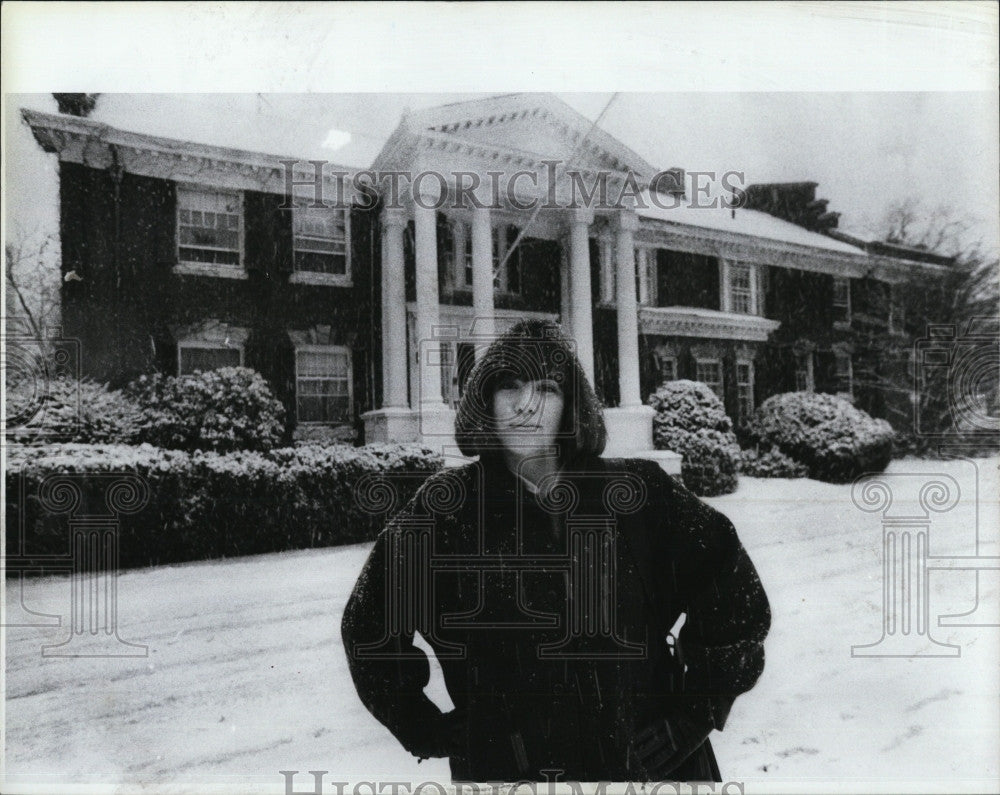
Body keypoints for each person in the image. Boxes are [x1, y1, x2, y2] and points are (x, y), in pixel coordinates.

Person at [342, 319, 770, 782]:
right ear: (486, 402)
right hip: (512, 772)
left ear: (570, 406)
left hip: (651, 765)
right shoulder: (445, 511)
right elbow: (370, 627)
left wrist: (695, 713)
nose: (527, 405)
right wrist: (425, 728)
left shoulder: (638, 492)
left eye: (545, 388)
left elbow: (732, 590)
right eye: (510, 386)